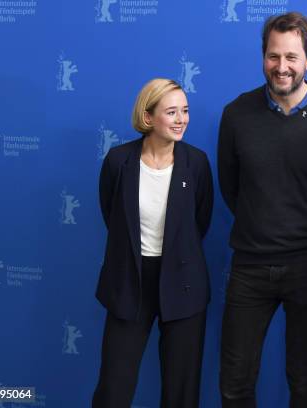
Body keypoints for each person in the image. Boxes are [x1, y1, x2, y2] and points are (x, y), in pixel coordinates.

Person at [217, 11, 307, 408]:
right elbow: (231, 187)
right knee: (235, 383)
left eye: (292, 57)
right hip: (249, 265)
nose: (282, 67)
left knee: (305, 380)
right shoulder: (236, 115)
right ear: (263, 56)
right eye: (274, 56)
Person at [92, 78, 213, 408]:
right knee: (113, 389)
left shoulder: (197, 163)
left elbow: (198, 222)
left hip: (184, 282)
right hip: (130, 281)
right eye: (171, 112)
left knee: (181, 392)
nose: (181, 119)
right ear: (148, 118)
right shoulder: (119, 161)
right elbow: (113, 216)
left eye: (185, 111)